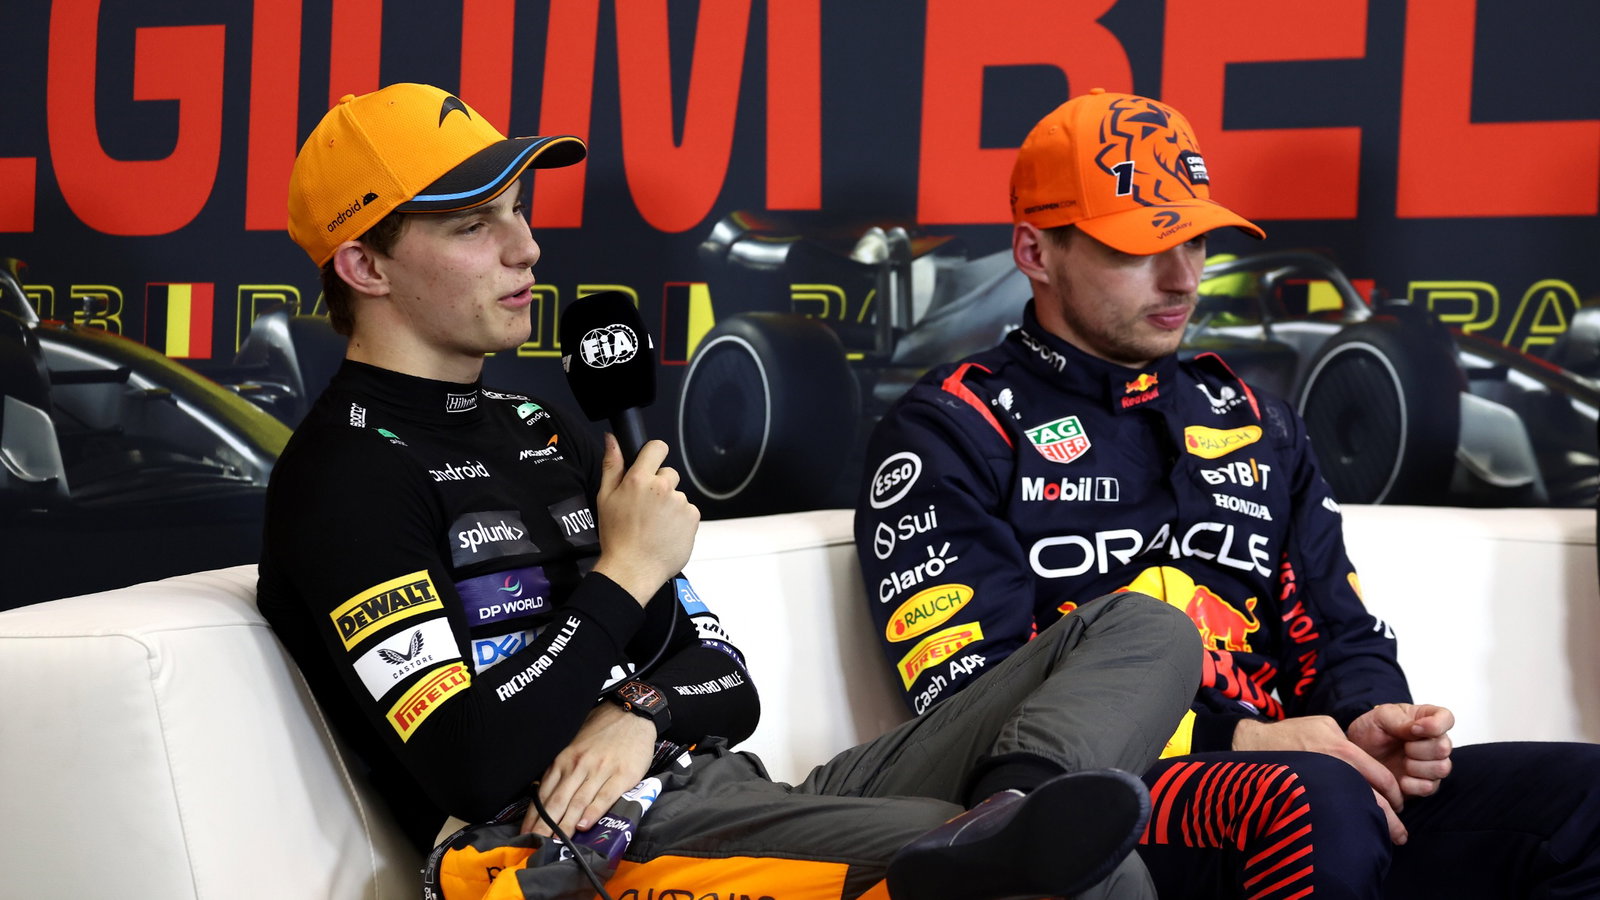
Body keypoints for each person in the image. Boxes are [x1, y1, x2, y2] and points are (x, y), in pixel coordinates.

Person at [258, 82, 1204, 900]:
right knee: (1076, 868)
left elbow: (724, 681)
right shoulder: (343, 477)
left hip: (730, 792)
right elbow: (472, 763)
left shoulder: (545, 428)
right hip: (587, 854)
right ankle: (1006, 842)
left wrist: (641, 713)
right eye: (476, 225)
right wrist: (623, 577)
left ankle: (1013, 806)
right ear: (365, 266)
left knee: (1148, 630)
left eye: (519, 210)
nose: (528, 249)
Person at [854, 88, 1600, 899]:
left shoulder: (1253, 420)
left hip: (1311, 787)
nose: (1182, 279)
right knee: (1313, 803)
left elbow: (1340, 628)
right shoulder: (951, 431)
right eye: (1139, 250)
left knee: (1582, 802)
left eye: (1196, 242)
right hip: (1103, 788)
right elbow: (971, 704)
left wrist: (1371, 721)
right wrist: (1246, 738)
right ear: (1036, 252)